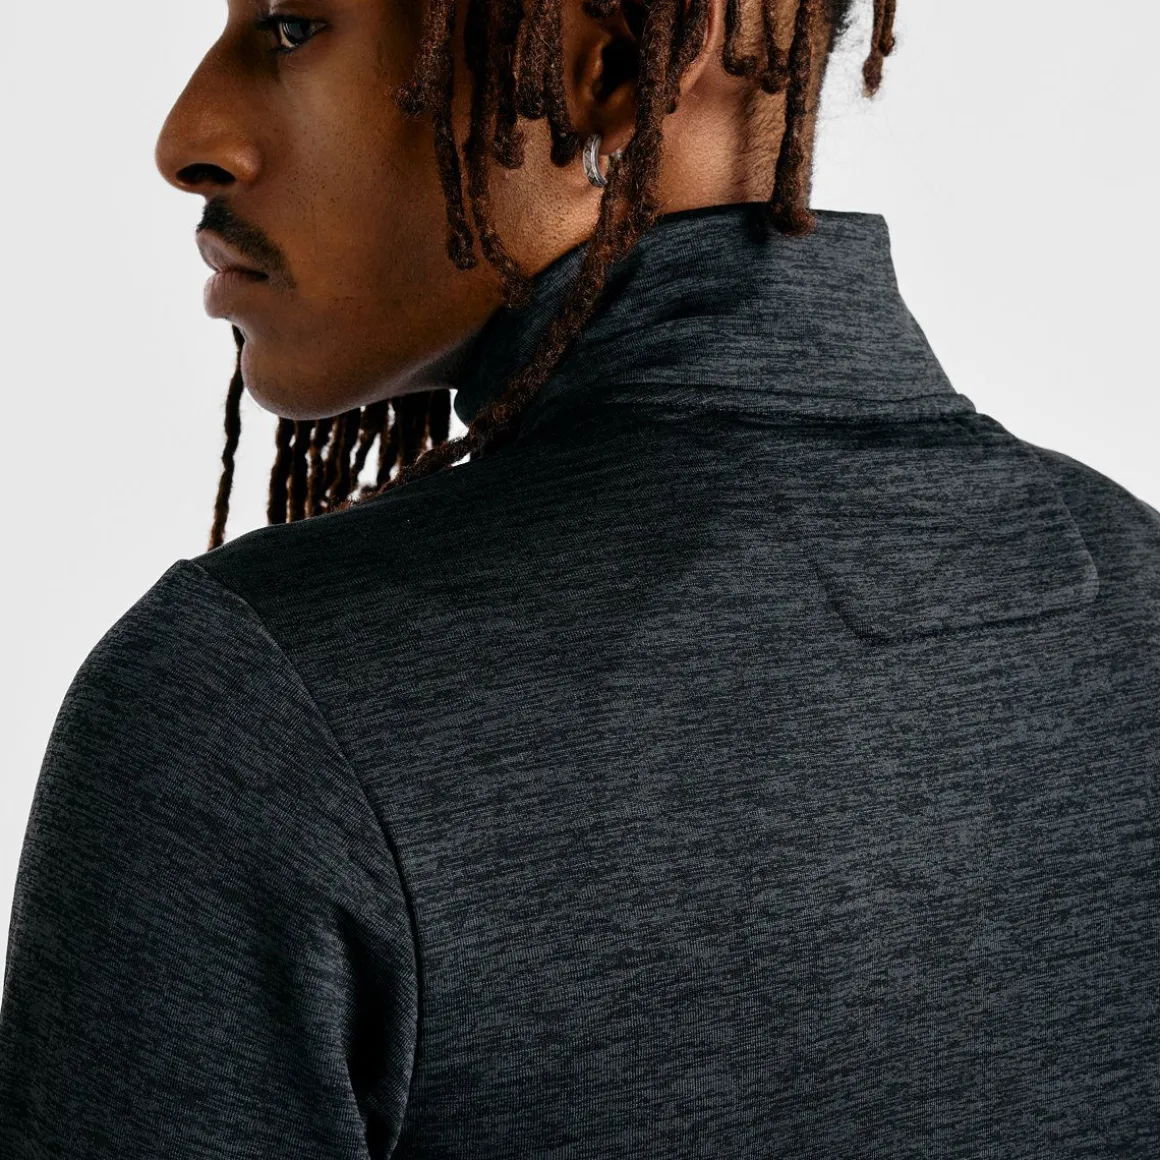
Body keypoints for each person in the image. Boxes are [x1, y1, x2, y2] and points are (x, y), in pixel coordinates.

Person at [1, 1, 1156, 1156]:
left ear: (607, 69)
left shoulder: (249, 714)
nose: (187, 138)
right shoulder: (1138, 588)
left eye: (294, 26)